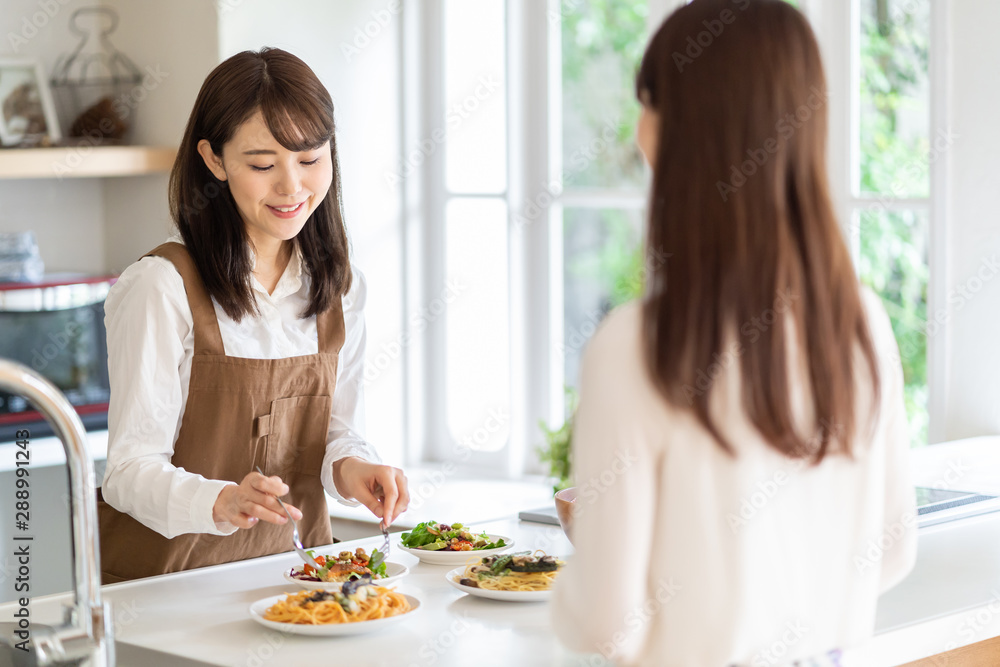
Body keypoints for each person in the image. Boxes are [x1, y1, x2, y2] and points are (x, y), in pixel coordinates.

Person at [550, 1, 917, 665]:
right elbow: (891, 548)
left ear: (683, 132)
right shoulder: (862, 321)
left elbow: (609, 623)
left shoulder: (636, 346)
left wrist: (573, 582)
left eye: (648, 104)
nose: (637, 131)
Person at [98, 48, 408, 584]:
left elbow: (337, 431)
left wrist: (352, 466)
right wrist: (219, 500)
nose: (292, 186)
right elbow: (126, 473)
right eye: (263, 165)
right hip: (172, 591)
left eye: (310, 159)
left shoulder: (341, 287)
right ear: (214, 161)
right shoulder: (162, 285)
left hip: (302, 583)